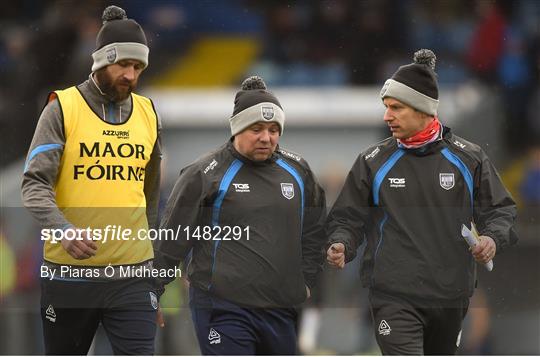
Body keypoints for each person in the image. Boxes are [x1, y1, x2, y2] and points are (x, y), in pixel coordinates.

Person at [326, 49, 518, 355]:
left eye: (396, 108)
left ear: (423, 110)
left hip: (449, 297)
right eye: (386, 107)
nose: (387, 116)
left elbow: (500, 210)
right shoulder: (372, 162)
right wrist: (341, 243)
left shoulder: (469, 158)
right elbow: (346, 217)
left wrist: (492, 239)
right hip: (393, 296)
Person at [21, 6, 162, 355]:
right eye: (123, 65)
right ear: (99, 62)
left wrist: (155, 276)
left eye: (138, 67)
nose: (130, 75)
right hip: (70, 277)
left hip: (133, 276)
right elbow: (34, 185)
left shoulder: (148, 111)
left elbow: (151, 195)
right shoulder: (62, 107)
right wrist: (62, 230)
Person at [153, 76, 327, 355]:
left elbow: (315, 230)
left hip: (280, 309)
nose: (266, 137)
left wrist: (306, 280)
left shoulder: (298, 171)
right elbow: (172, 238)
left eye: (273, 129)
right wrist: (153, 291)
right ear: (237, 128)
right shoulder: (204, 173)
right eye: (256, 128)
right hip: (222, 307)